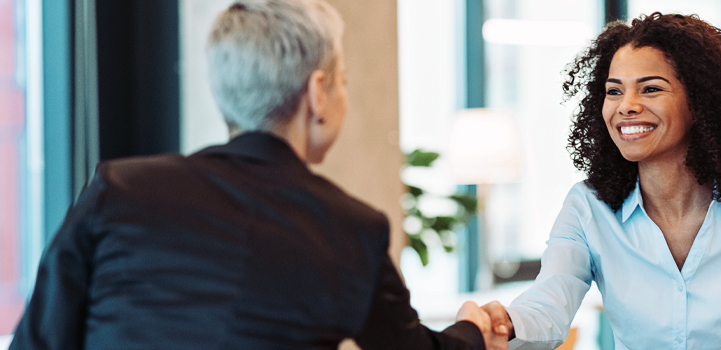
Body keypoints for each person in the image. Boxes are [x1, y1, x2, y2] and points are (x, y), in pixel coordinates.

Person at [10, 1, 507, 349]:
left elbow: (40, 339)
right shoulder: (350, 229)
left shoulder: (117, 190)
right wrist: (471, 331)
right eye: (343, 82)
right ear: (317, 94)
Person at [479, 12, 721, 350]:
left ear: (700, 103)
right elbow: (550, 302)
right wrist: (504, 322)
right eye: (614, 91)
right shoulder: (588, 208)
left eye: (650, 89)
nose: (627, 106)